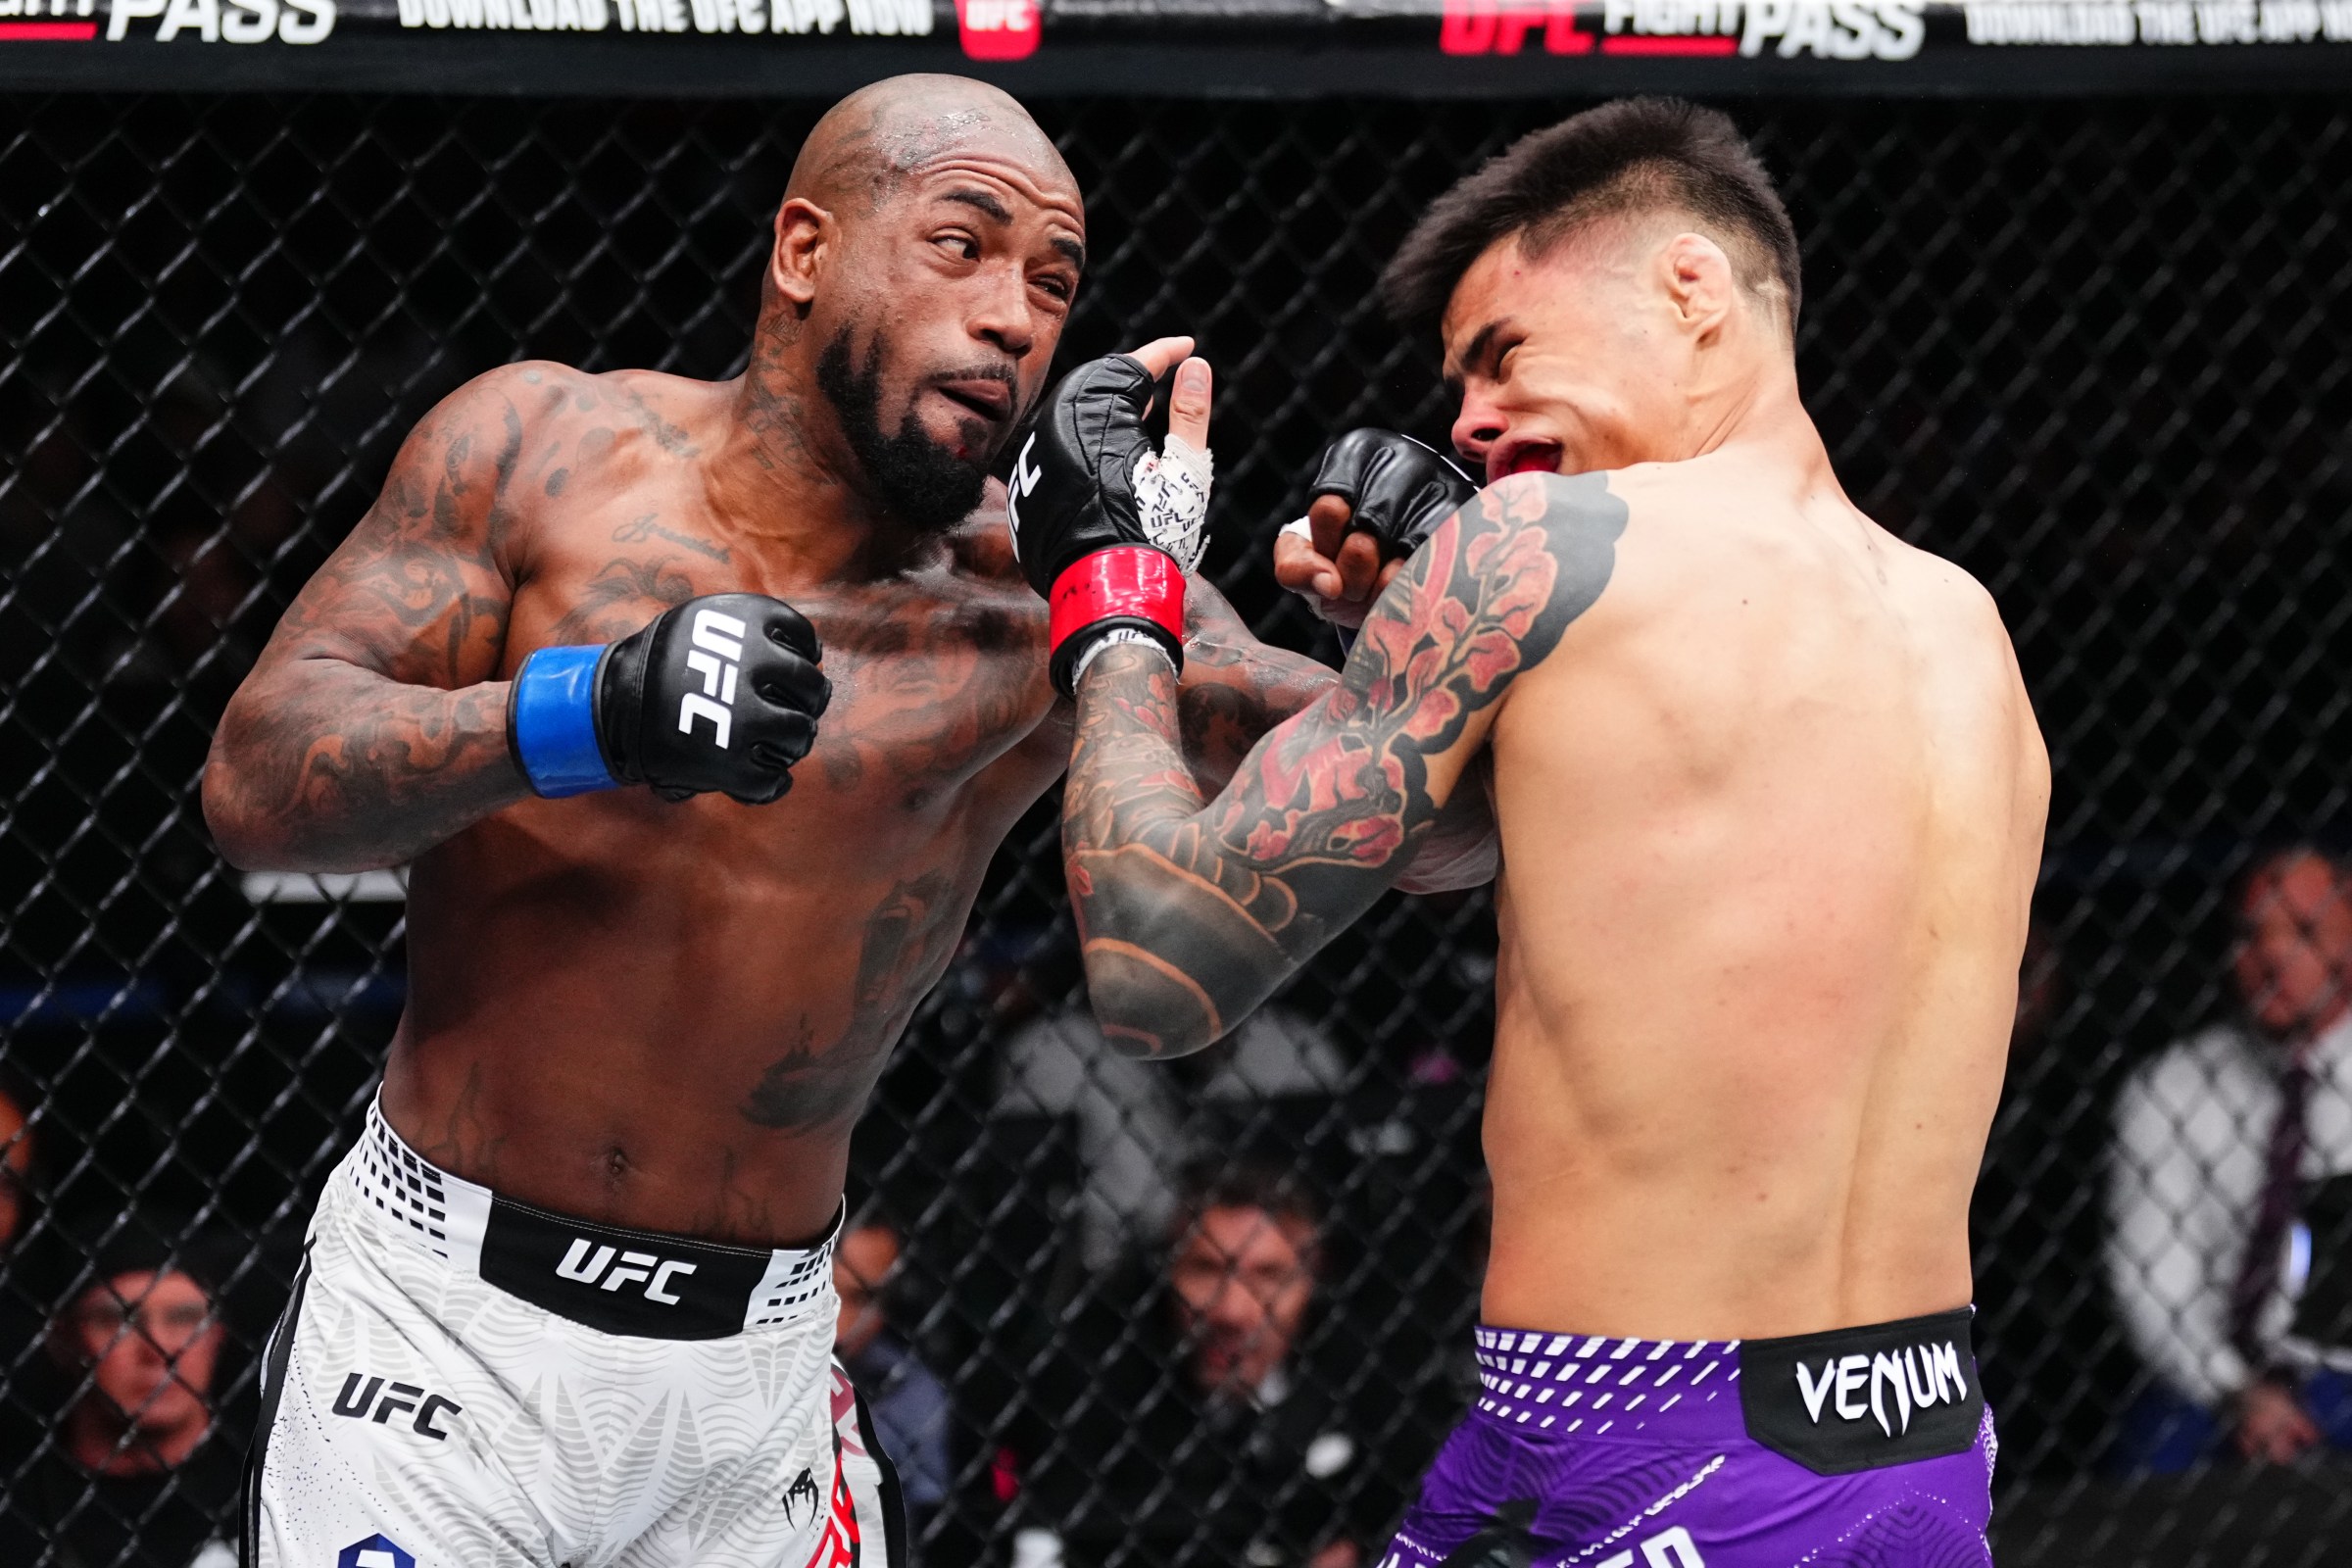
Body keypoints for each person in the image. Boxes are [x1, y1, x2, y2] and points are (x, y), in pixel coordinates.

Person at [201, 73, 1475, 1568]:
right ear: (805, 251)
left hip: (758, 1375)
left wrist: (1434, 645)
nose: (1015, 316)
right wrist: (587, 713)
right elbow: (255, 786)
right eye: (964, 245)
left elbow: (1449, 846)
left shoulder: (1050, 592)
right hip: (440, 1331)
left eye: (1052, 280)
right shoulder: (539, 451)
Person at [1014, 98, 2047, 1564]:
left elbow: (1154, 956)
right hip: (1924, 1437)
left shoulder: (1542, 555)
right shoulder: (1967, 627)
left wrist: (1116, 594)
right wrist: (1383, 638)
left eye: (1502, 352)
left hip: (1637, 1439)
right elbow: (1537, 851)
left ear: (1691, 288)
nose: (1466, 421)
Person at [1004, 1164, 1431, 1568]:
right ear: (1168, 1271)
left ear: (1311, 1278)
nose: (1232, 1310)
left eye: (1268, 1275)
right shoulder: (1094, 1378)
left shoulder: (1365, 1371)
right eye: (1206, 1269)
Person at [2107, 846, 2352, 1470]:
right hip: (2216, 1378)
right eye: (2250, 933)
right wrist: (2235, 1391)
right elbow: (2152, 1284)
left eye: (2302, 931)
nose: (2269, 954)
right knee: (2152, 1456)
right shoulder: (2171, 1088)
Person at [0, 1224, 242, 1568]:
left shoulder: (283, 1487)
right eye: (119, 1320)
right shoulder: (17, 1515)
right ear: (62, 1341)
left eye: (185, 1318)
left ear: (217, 1335)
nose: (159, 1350)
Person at [833, 1213, 953, 1541]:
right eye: (824, 1291)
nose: (837, 1318)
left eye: (861, 1299)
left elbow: (928, 1519)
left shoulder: (912, 1389)